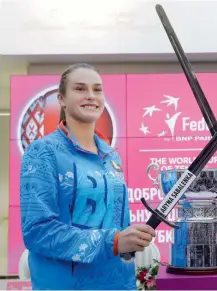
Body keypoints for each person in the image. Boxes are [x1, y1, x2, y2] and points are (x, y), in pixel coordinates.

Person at [19, 63, 156, 290]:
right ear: (61, 99)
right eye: (80, 89)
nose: (91, 96)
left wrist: (130, 239)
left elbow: (116, 226)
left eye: (97, 89)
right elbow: (37, 231)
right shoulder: (43, 152)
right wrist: (112, 241)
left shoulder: (111, 157)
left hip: (118, 283)